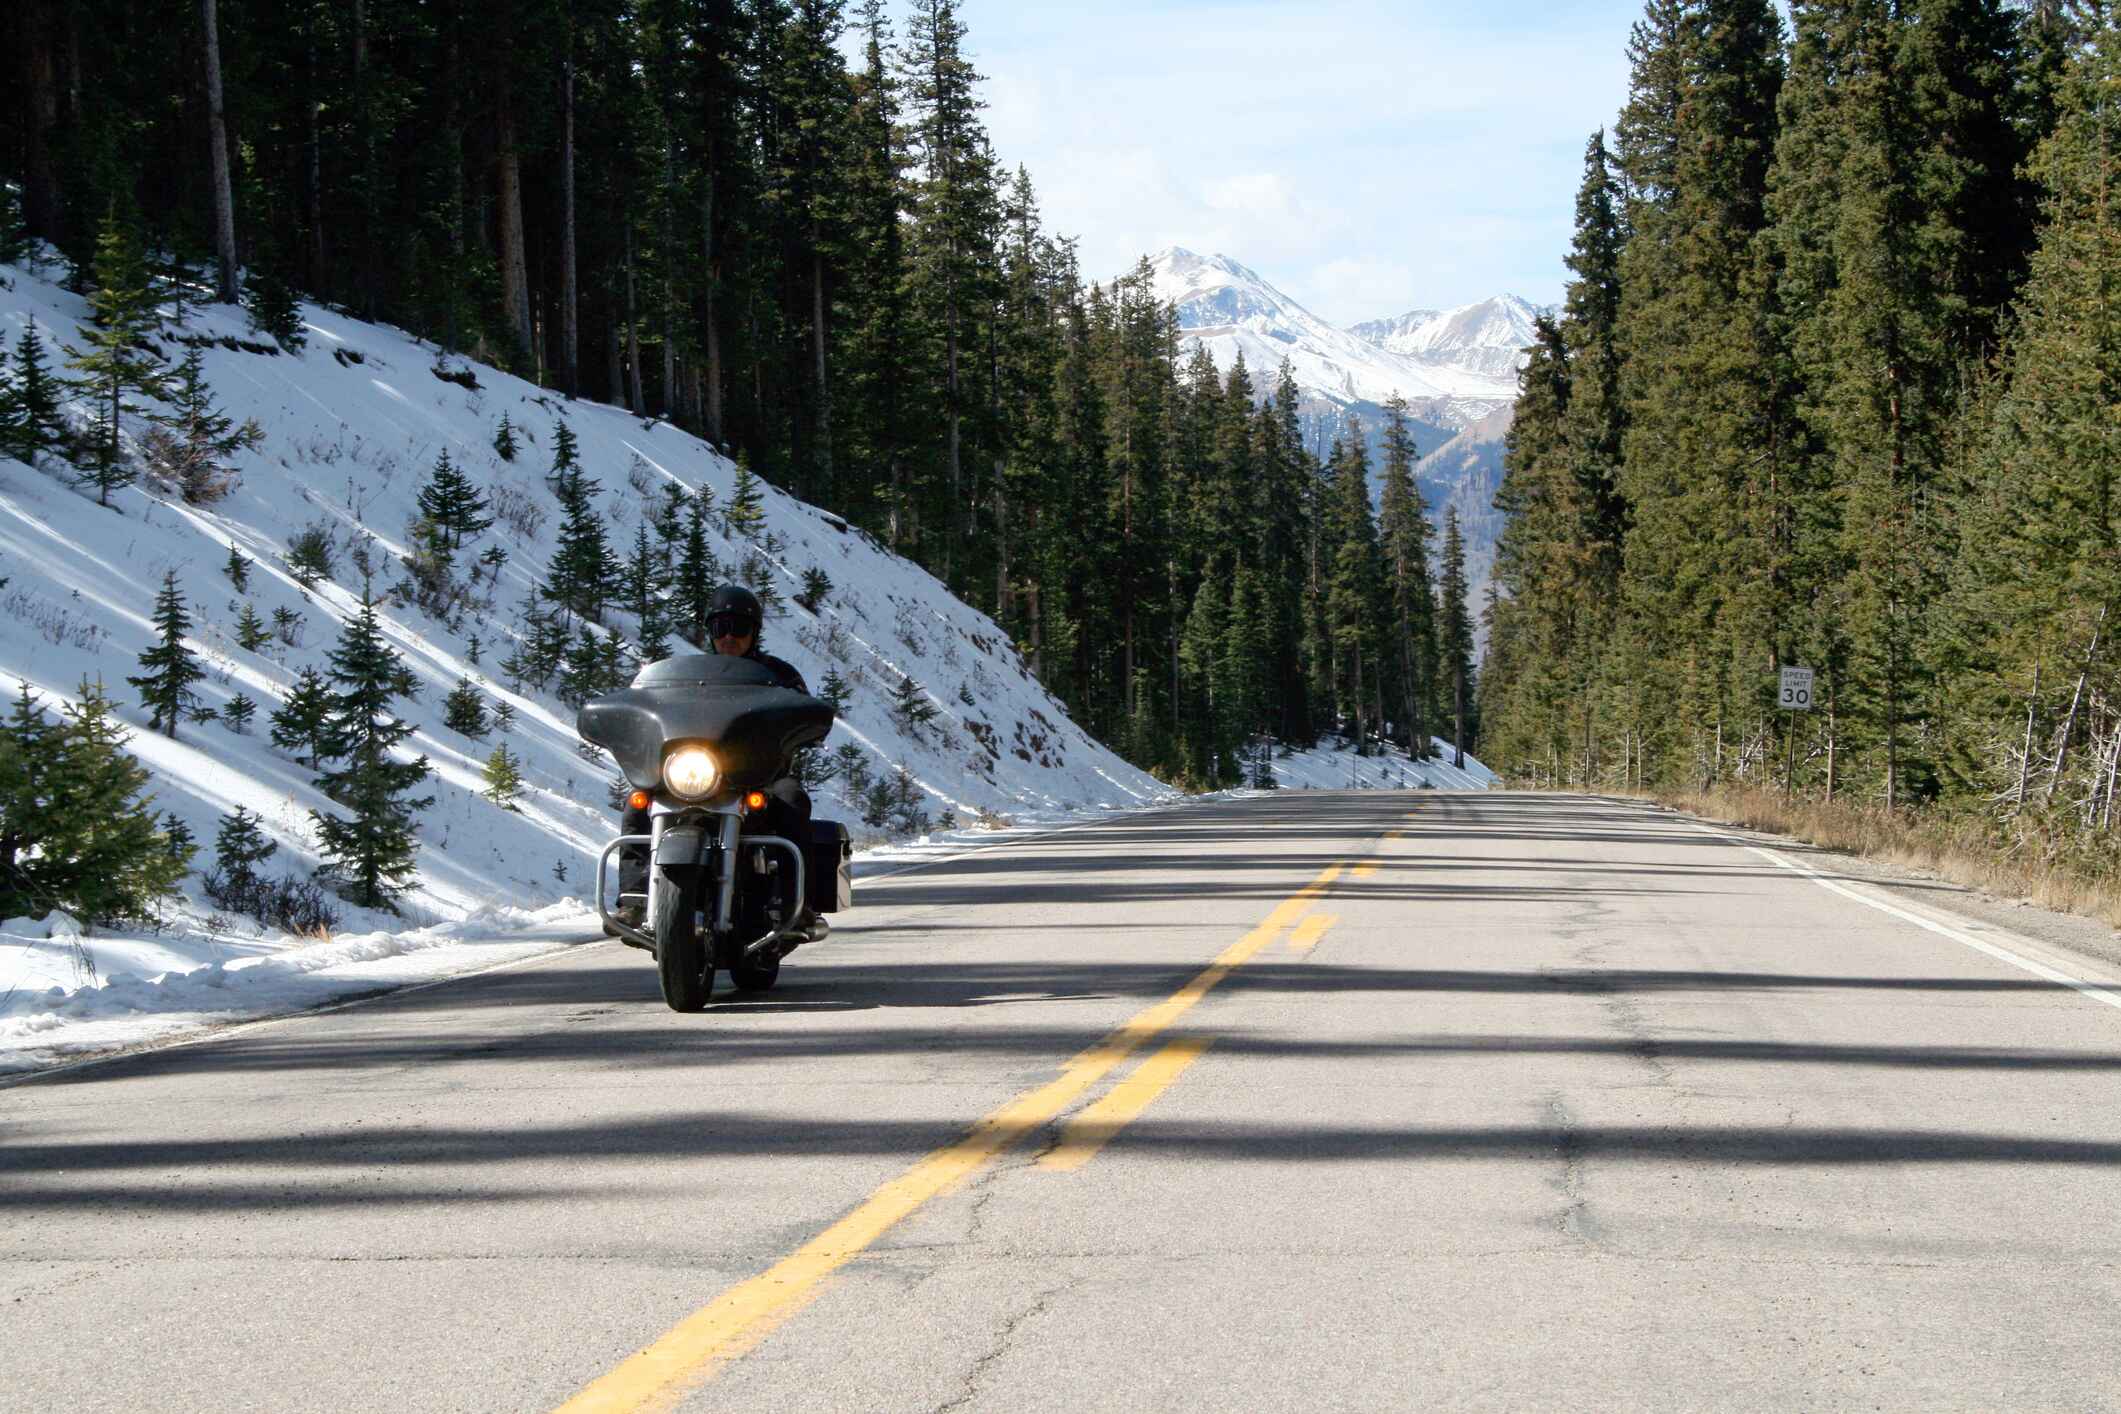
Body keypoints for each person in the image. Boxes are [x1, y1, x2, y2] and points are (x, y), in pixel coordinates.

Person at [615, 584, 821, 939]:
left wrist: (805, 724)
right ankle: (634, 898)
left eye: (738, 628)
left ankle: (794, 903)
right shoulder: (682, 675)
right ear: (709, 632)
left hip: (759, 774)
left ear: (754, 632)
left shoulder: (778, 675)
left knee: (792, 798)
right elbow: (647, 706)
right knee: (638, 802)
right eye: (720, 628)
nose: (729, 637)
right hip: (693, 772)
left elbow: (803, 711)